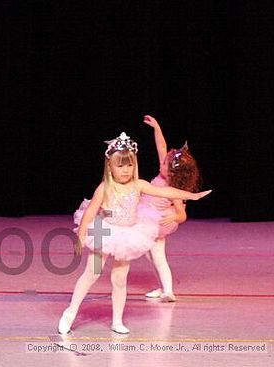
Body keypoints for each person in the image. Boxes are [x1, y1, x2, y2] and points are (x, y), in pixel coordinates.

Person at [58, 132, 210, 334]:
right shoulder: (104, 188)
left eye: (129, 165)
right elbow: (91, 212)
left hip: (127, 235)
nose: (125, 170)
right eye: (120, 166)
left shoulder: (139, 185)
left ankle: (117, 321)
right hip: (103, 231)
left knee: (119, 279)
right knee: (92, 273)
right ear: (110, 167)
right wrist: (81, 235)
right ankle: (70, 312)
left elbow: (168, 192)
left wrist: (192, 196)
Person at [138, 115, 201, 302]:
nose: (162, 162)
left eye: (165, 163)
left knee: (158, 257)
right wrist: (157, 128)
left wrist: (172, 217)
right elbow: (162, 148)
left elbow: (182, 215)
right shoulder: (163, 174)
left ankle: (168, 291)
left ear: (173, 172)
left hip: (156, 224)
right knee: (150, 257)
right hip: (143, 219)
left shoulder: (173, 190)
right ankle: (162, 287)